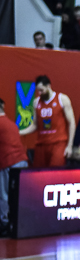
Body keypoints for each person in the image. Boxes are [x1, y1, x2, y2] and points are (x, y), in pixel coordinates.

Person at [19, 75, 76, 167]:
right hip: (41, 144)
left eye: (41, 90)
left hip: (58, 143)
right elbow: (35, 125)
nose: (40, 93)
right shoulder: (36, 102)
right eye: (38, 91)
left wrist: (69, 146)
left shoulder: (62, 99)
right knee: (38, 173)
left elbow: (71, 122)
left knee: (55, 172)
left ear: (48, 86)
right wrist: (19, 132)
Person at [0, 98, 29, 236]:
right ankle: (19, 223)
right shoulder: (11, 123)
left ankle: (5, 224)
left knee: (4, 194)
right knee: (18, 195)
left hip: (8, 162)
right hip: (22, 162)